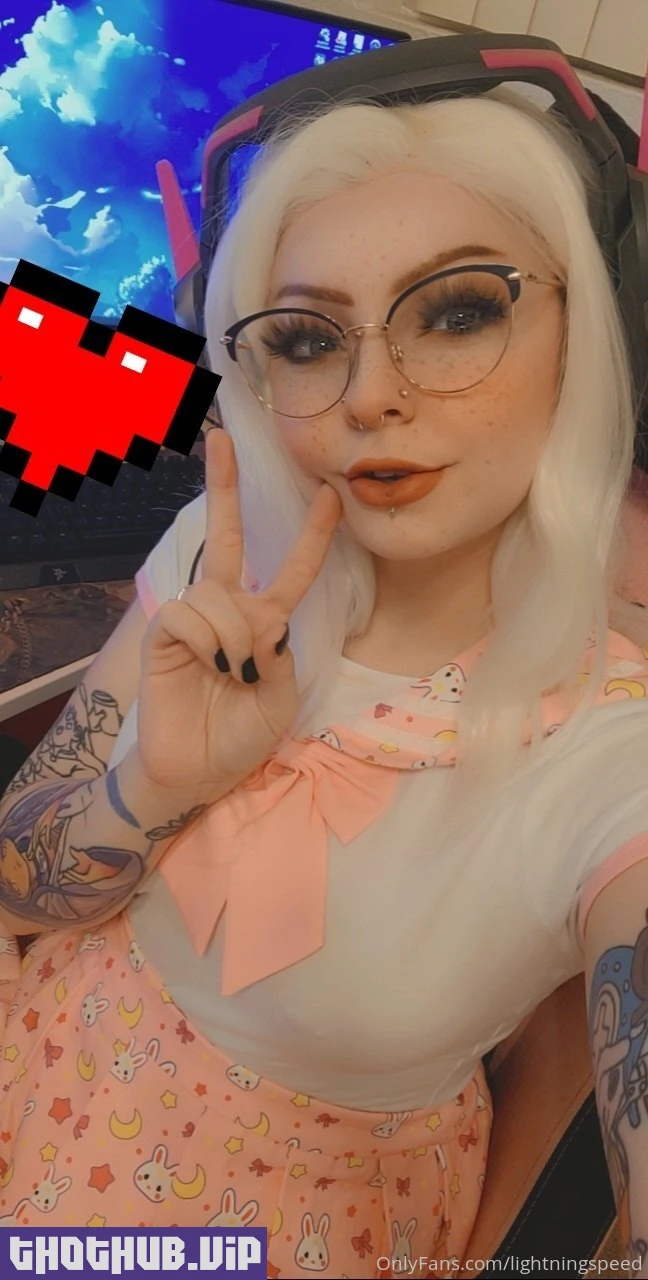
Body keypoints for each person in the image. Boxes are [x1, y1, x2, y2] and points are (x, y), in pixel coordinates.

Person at [0, 84, 647, 1276]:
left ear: (586, 336)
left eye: (457, 312)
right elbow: (19, 880)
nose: (370, 394)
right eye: (307, 338)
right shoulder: (218, 553)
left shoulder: (613, 754)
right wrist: (148, 787)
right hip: (49, 1065)